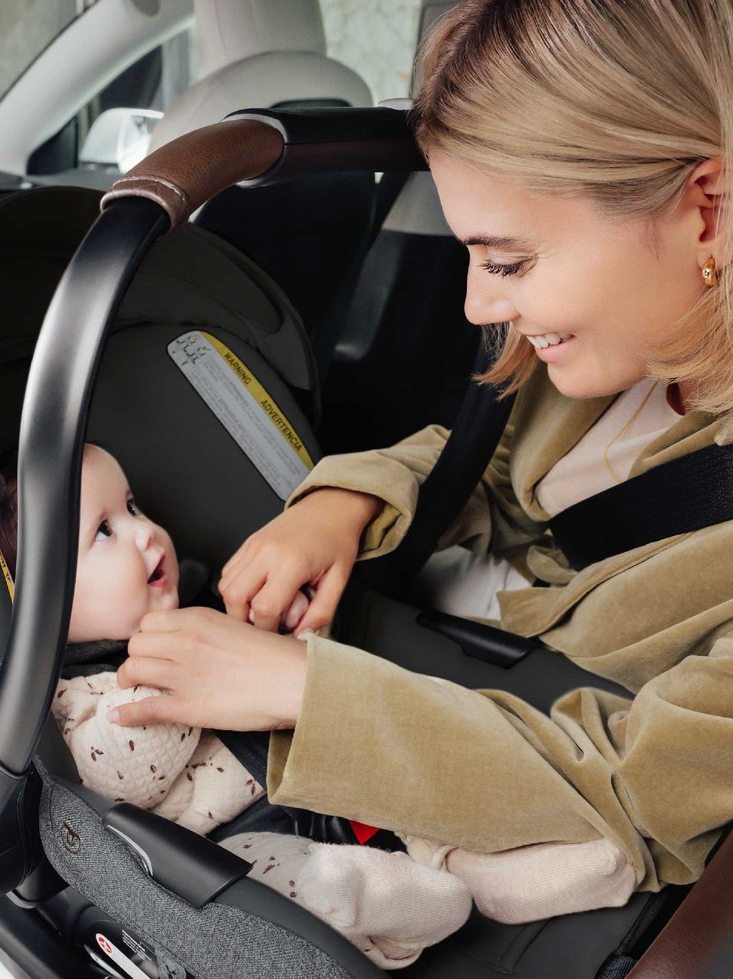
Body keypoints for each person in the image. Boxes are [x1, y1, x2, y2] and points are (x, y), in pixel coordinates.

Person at [106, 0, 733, 919]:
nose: (478, 305)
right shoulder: (619, 356)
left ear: (706, 211)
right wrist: (344, 504)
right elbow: (491, 460)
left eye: (509, 262)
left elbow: (641, 785)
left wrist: (303, 696)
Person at [0, 444, 635, 968]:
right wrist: (184, 675)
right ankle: (363, 904)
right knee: (275, 888)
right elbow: (115, 772)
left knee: (395, 773)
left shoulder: (202, 601)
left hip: (313, 771)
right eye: (104, 533)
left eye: (136, 509)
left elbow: (287, 680)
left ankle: (484, 869)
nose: (148, 535)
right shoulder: (68, 697)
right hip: (226, 843)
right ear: (39, 607)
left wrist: (282, 636)